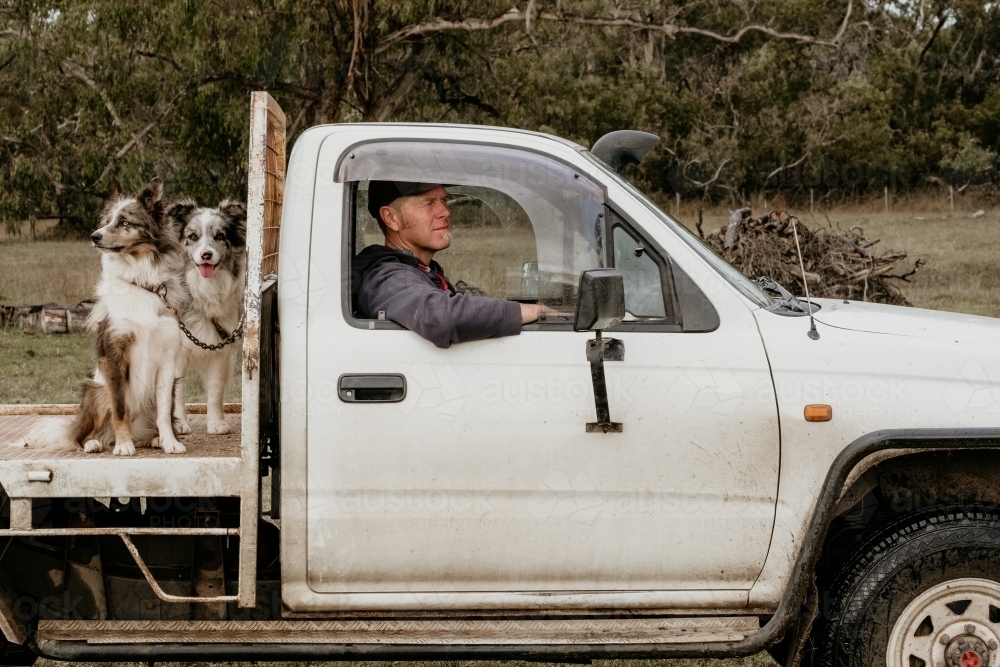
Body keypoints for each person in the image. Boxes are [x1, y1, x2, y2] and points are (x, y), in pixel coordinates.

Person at [353, 181, 551, 349]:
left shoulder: (420, 271)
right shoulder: (386, 277)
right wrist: (535, 311)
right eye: (429, 202)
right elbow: (439, 317)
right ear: (391, 218)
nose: (445, 211)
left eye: (443, 200)